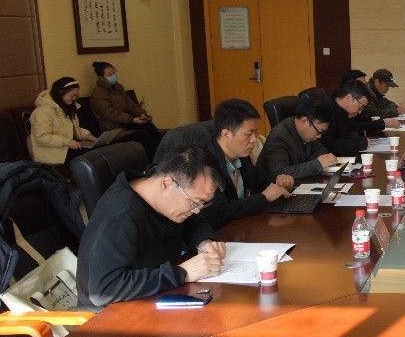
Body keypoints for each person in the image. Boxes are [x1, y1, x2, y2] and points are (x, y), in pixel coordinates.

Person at [76, 146, 225, 308]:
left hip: (156, 294)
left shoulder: (159, 192)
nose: (196, 210)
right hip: (113, 312)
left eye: (202, 204)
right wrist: (183, 273)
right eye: (194, 203)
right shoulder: (121, 218)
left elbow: (193, 221)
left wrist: (204, 241)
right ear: (166, 184)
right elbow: (103, 290)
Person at [154, 99, 291, 229]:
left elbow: (257, 180)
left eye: (255, 132)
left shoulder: (241, 154)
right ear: (226, 134)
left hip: (241, 228)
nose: (254, 139)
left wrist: (278, 181)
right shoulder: (205, 164)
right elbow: (217, 212)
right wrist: (263, 198)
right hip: (218, 233)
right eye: (248, 134)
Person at [89, 61, 160, 158]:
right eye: (109, 74)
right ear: (101, 78)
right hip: (113, 130)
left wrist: (141, 113)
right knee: (142, 136)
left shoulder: (118, 89)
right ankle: (153, 162)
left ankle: (162, 158)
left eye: (114, 72)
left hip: (126, 124)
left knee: (149, 127)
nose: (113, 76)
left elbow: (131, 106)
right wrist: (131, 119)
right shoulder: (98, 94)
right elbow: (110, 113)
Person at [256, 99, 338, 181]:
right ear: (304, 121)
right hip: (272, 187)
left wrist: (310, 165)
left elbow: (321, 149)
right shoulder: (279, 136)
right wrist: (317, 164)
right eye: (319, 131)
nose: (319, 136)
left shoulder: (304, 132)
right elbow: (280, 173)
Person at [29, 77, 98, 164]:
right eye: (72, 95)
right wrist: (67, 141)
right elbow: (41, 137)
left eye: (76, 96)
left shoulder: (66, 107)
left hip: (64, 148)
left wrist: (87, 136)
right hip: (51, 153)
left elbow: (74, 129)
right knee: (90, 158)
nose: (74, 98)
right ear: (60, 92)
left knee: (97, 152)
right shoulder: (42, 111)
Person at [321, 80, 371, 155]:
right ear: (348, 98)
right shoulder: (325, 110)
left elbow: (353, 130)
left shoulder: (347, 111)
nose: (360, 111)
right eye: (360, 107)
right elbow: (329, 146)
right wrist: (358, 143)